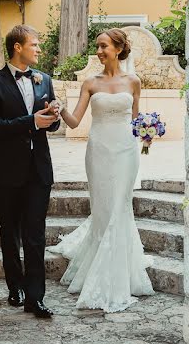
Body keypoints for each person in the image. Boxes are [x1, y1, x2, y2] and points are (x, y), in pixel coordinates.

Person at [47, 28, 155, 312]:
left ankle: (118, 273)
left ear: (118, 49)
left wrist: (146, 133)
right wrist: (58, 109)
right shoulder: (90, 83)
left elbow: (135, 120)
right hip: (98, 151)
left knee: (120, 207)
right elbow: (74, 121)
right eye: (97, 46)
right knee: (104, 209)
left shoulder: (134, 81)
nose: (99, 51)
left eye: (104, 46)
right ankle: (101, 265)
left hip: (126, 151)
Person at [0, 25, 61, 318]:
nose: (38, 49)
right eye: (34, 44)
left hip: (39, 170)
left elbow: (51, 124)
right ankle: (15, 286)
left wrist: (52, 118)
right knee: (10, 232)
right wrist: (31, 122)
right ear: (17, 47)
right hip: (6, 172)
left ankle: (35, 298)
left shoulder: (44, 80)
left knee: (35, 235)